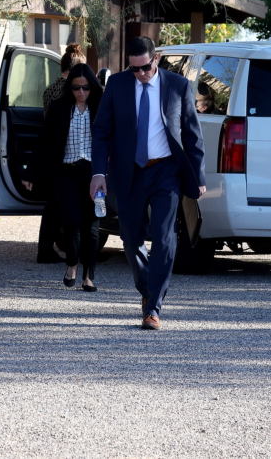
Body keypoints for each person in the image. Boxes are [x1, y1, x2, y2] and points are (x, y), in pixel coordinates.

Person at [89, 36, 206, 330]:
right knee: (131, 242)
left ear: (155, 60)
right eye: (134, 69)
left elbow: (192, 134)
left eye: (144, 68)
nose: (140, 75)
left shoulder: (178, 86)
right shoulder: (116, 85)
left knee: (165, 239)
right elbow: (101, 132)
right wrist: (98, 173)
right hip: (128, 172)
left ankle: (153, 307)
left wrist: (199, 176)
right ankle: (148, 293)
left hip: (166, 171)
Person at [22, 63, 104, 292]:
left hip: (94, 173)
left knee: (93, 226)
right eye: (76, 88)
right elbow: (44, 141)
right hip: (66, 172)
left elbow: (115, 139)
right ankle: (72, 265)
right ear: (70, 88)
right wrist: (30, 172)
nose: (81, 92)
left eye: (86, 88)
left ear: (92, 87)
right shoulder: (59, 108)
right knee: (71, 221)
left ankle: (89, 276)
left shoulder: (101, 107)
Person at [36, 42, 88, 263]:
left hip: (51, 153)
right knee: (70, 207)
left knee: (52, 206)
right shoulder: (74, 91)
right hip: (69, 154)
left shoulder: (50, 90)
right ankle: (77, 252)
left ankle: (45, 249)